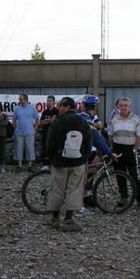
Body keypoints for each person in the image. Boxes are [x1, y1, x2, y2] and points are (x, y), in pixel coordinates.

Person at [45, 97, 92, 232]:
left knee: (57, 189)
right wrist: (84, 158)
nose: (58, 108)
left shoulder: (57, 122)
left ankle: (54, 218)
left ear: (66, 107)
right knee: (74, 190)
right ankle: (68, 220)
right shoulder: (83, 122)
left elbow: (50, 143)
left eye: (60, 106)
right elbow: (89, 142)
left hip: (59, 162)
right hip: (77, 161)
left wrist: (51, 158)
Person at [108, 97, 140, 209]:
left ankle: (139, 200)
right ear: (118, 107)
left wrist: (134, 149)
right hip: (118, 149)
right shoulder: (114, 119)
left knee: (134, 176)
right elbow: (110, 135)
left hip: (130, 149)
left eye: (126, 105)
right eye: (121, 105)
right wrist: (112, 148)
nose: (123, 107)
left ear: (130, 106)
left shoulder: (136, 119)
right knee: (120, 175)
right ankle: (124, 198)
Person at [13, 93, 39, 171]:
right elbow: (14, 120)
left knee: (30, 148)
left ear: (26, 99)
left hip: (30, 132)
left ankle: (30, 166)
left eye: (21, 99)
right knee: (18, 148)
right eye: (19, 99)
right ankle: (19, 166)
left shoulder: (32, 108)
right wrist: (15, 129)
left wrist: (35, 129)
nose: (20, 100)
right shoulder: (17, 109)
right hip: (19, 132)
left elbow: (37, 119)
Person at [38, 95, 58, 162]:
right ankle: (45, 162)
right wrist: (48, 121)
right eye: (47, 101)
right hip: (44, 132)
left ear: (53, 102)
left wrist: (47, 121)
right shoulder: (45, 112)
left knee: (52, 147)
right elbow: (40, 122)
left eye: (49, 101)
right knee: (44, 146)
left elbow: (53, 121)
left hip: (53, 133)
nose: (48, 102)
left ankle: (51, 161)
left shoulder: (56, 111)